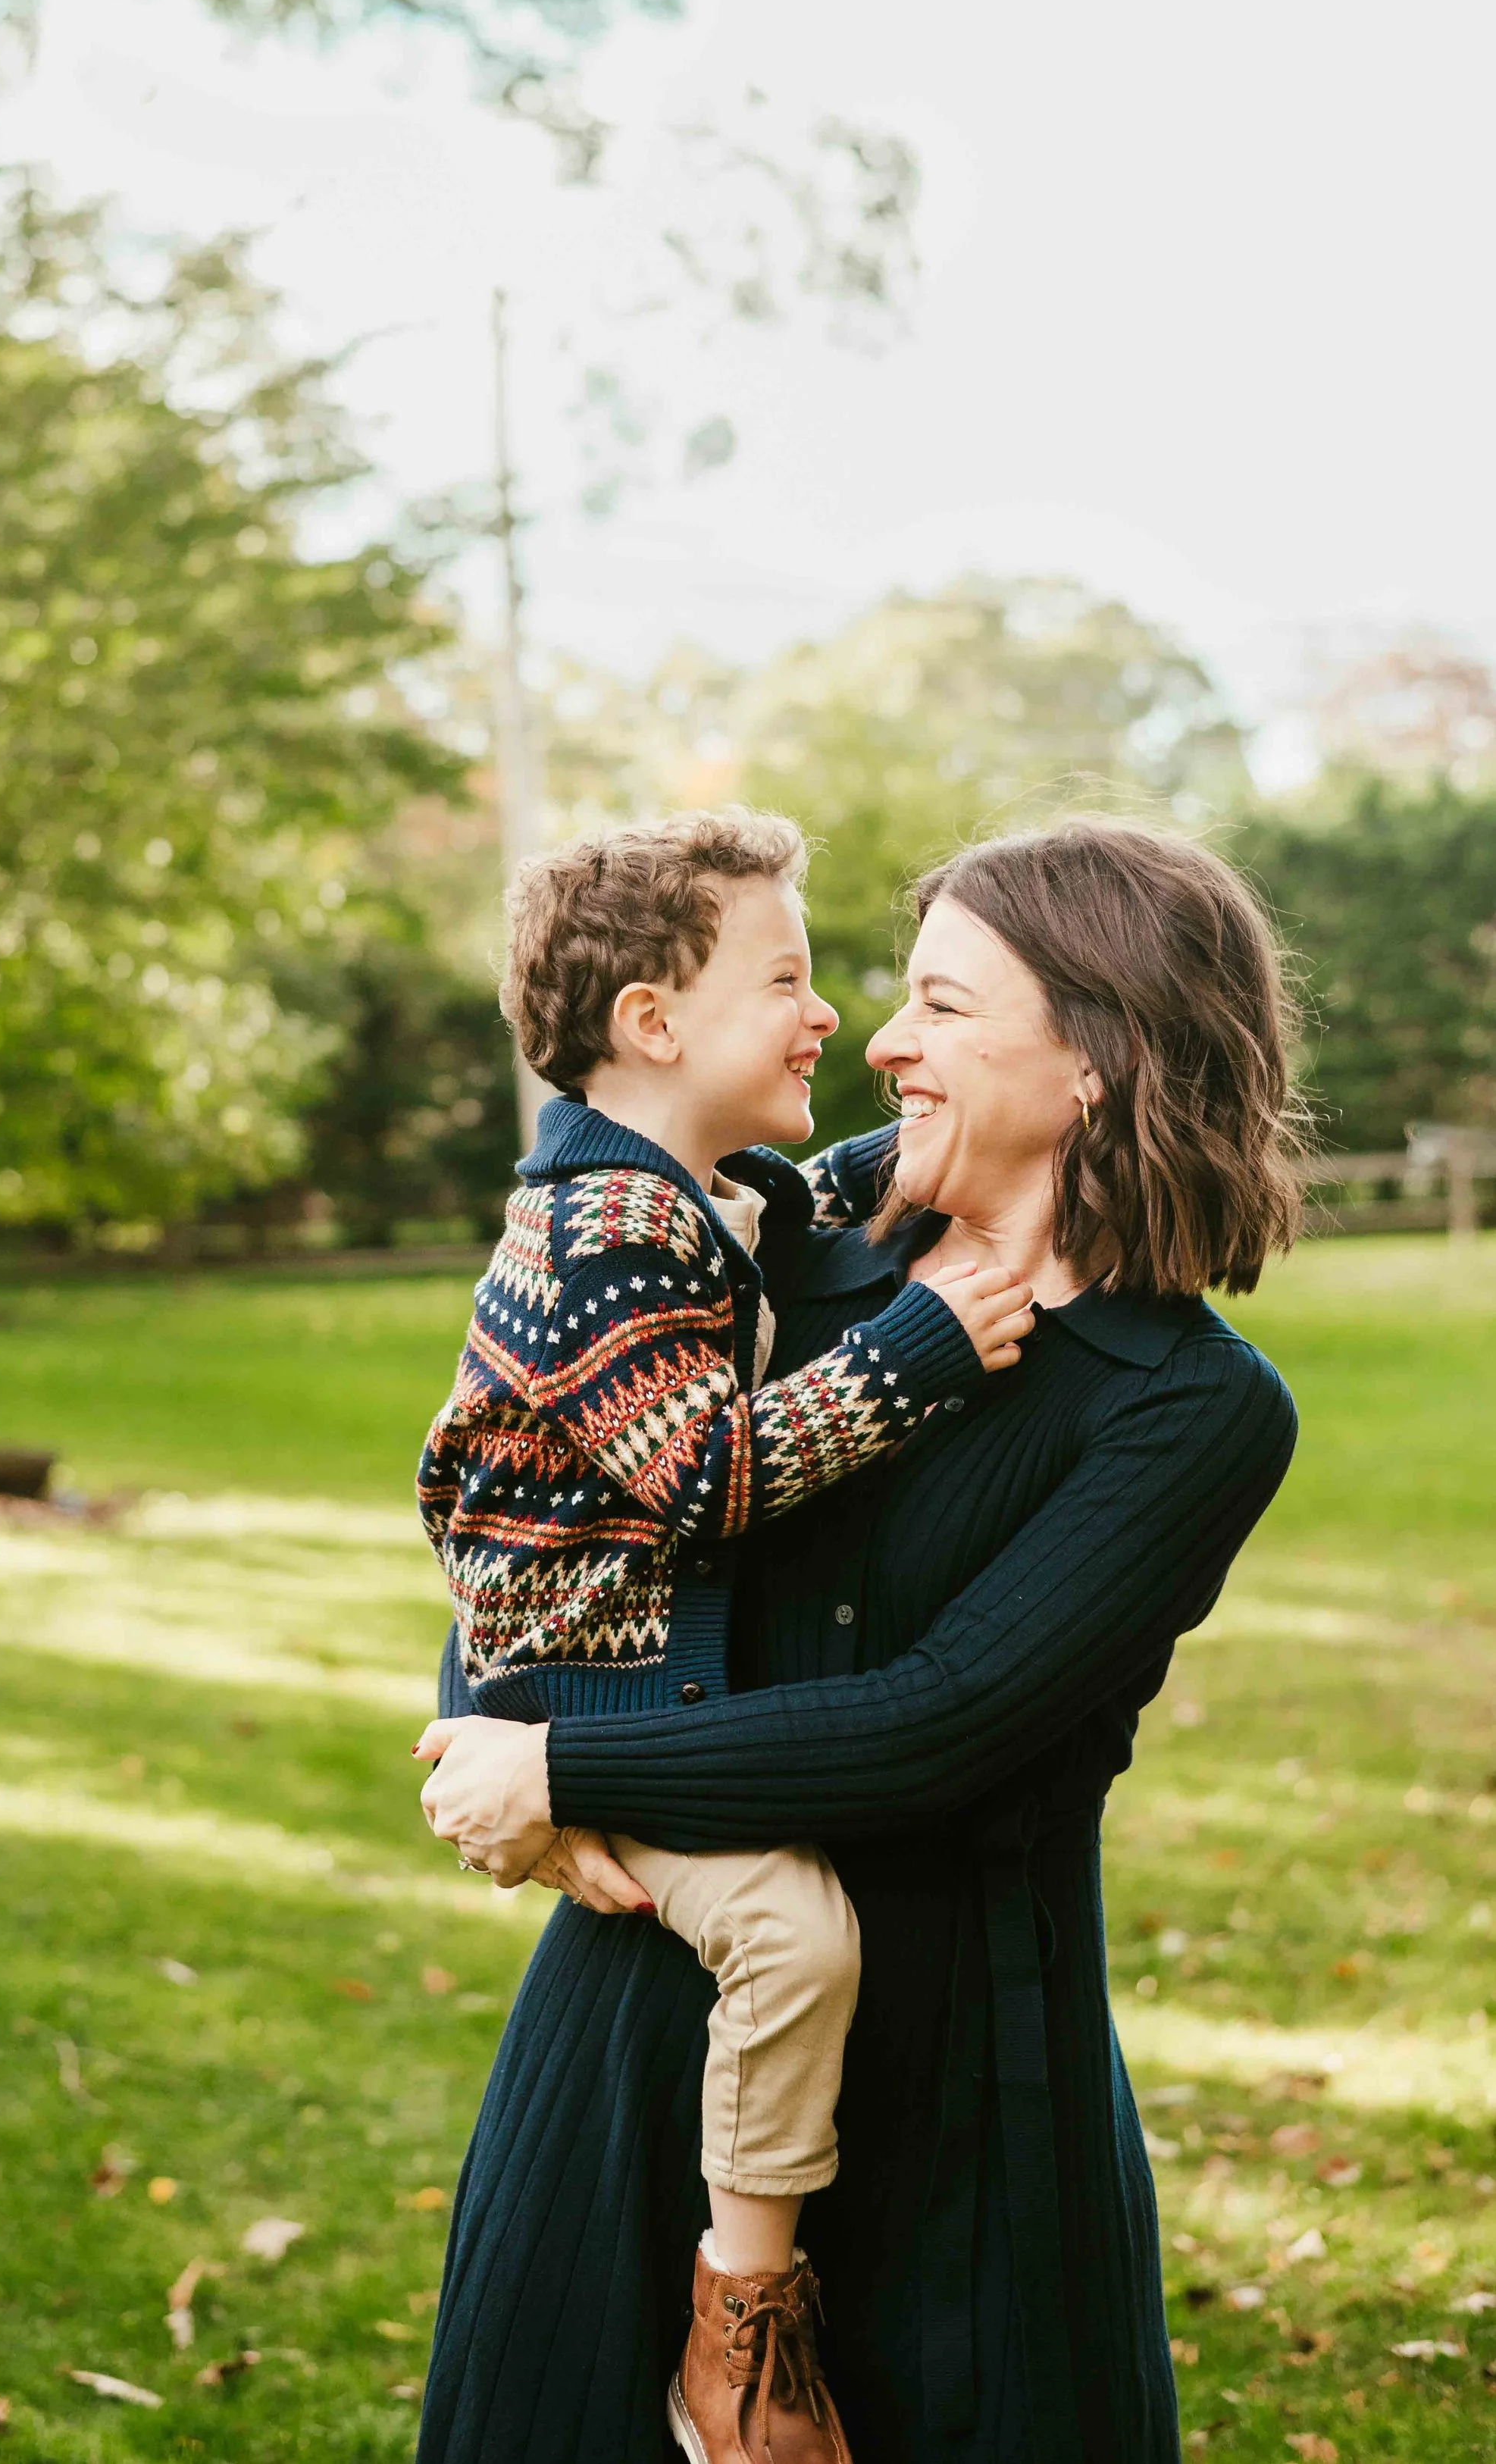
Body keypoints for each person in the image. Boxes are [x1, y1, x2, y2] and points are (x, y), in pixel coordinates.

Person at [414, 819, 1304, 2464]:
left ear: (1097, 1056)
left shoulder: (1186, 1408)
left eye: (939, 1006)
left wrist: (552, 1767)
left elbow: (936, 1721)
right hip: (636, 2043)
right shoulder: (780, 1253)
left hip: (971, 2096)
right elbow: (536, 1472)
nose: (876, 1040)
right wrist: (479, 1709)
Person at [417, 809, 1033, 2464]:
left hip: (602, 1671)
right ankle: (736, 2323)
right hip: (580, 1686)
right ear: (652, 1022)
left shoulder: (682, 1189)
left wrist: (921, 1157)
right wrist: (915, 1349)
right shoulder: (599, 1231)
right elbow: (704, 1470)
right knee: (793, 1940)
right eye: (788, 976)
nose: (829, 1015)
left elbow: (807, 1192)